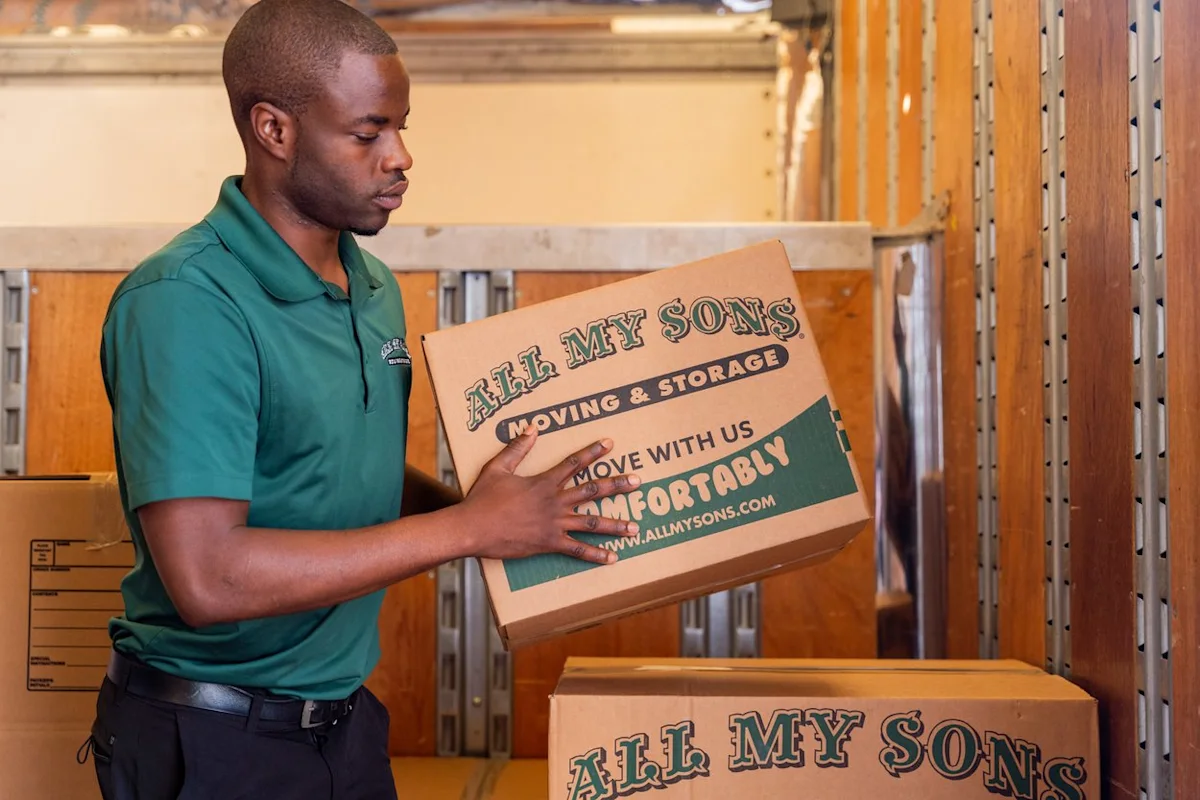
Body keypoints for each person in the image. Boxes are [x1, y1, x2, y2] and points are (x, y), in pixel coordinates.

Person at [83, 1, 637, 797]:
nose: (400, 157)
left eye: (401, 129)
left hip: (342, 728)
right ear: (274, 130)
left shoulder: (370, 286)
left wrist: (499, 513)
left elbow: (335, 466)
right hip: (210, 741)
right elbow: (208, 579)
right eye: (368, 133)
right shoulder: (186, 302)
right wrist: (468, 528)